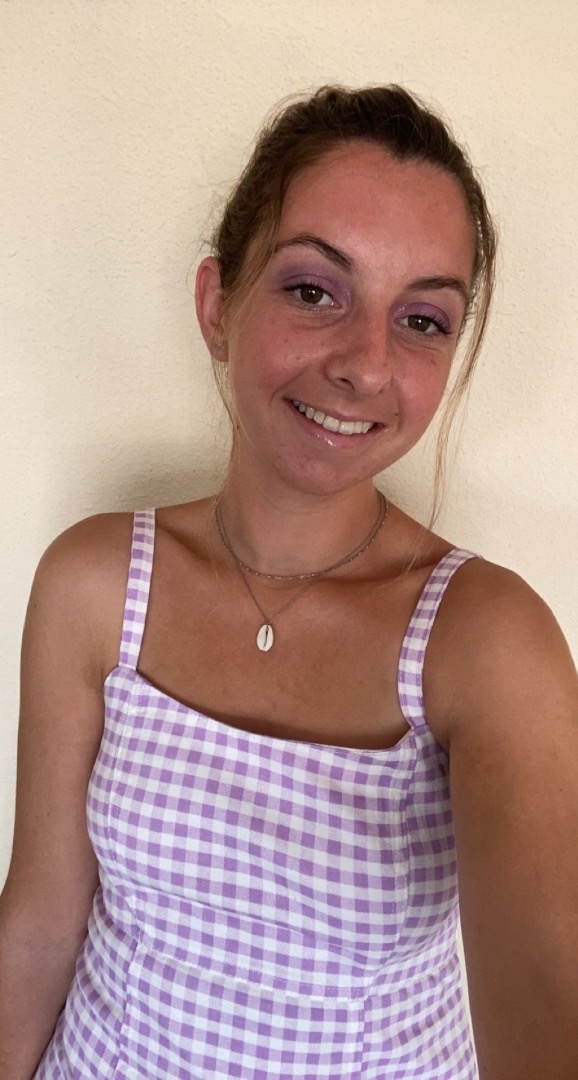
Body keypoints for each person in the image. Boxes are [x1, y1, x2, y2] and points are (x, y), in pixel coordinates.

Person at [0, 85, 577, 1080]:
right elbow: (41, 922)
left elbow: (548, 985)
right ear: (217, 306)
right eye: (314, 291)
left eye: (423, 319)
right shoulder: (93, 583)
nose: (365, 365)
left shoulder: (484, 639)